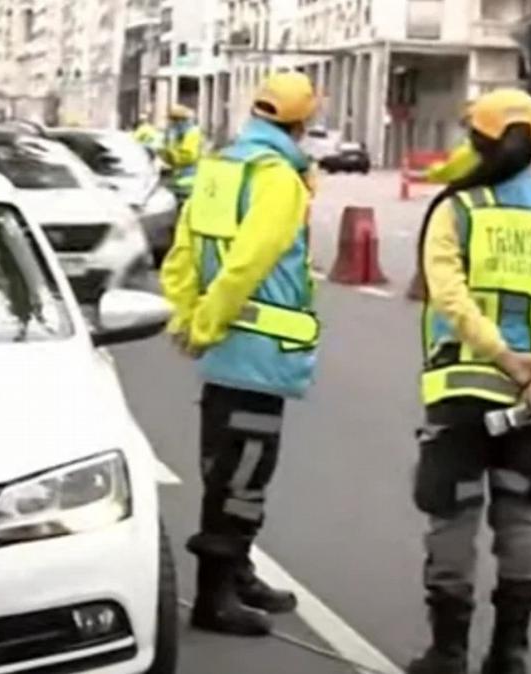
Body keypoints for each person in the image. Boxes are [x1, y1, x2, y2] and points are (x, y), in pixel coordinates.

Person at [408, 89, 531, 674]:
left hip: (463, 389)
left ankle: (448, 652)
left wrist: (500, 356)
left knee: (453, 515)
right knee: (522, 516)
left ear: (479, 145)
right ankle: (511, 652)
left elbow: (449, 294)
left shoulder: (456, 210)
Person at [159, 71, 321, 636]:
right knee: (245, 473)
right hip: (257, 352)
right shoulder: (279, 179)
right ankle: (215, 598)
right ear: (301, 124)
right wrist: (204, 321)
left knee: (223, 465)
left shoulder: (219, 167)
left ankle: (240, 573)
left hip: (225, 351)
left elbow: (183, 250)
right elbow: (247, 263)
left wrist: (186, 315)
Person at [160, 105, 203, 199]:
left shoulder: (192, 134)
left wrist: (170, 146)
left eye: (172, 121)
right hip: (179, 178)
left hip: (190, 178)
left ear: (180, 121)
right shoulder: (180, 135)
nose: (170, 124)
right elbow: (170, 159)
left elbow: (187, 157)